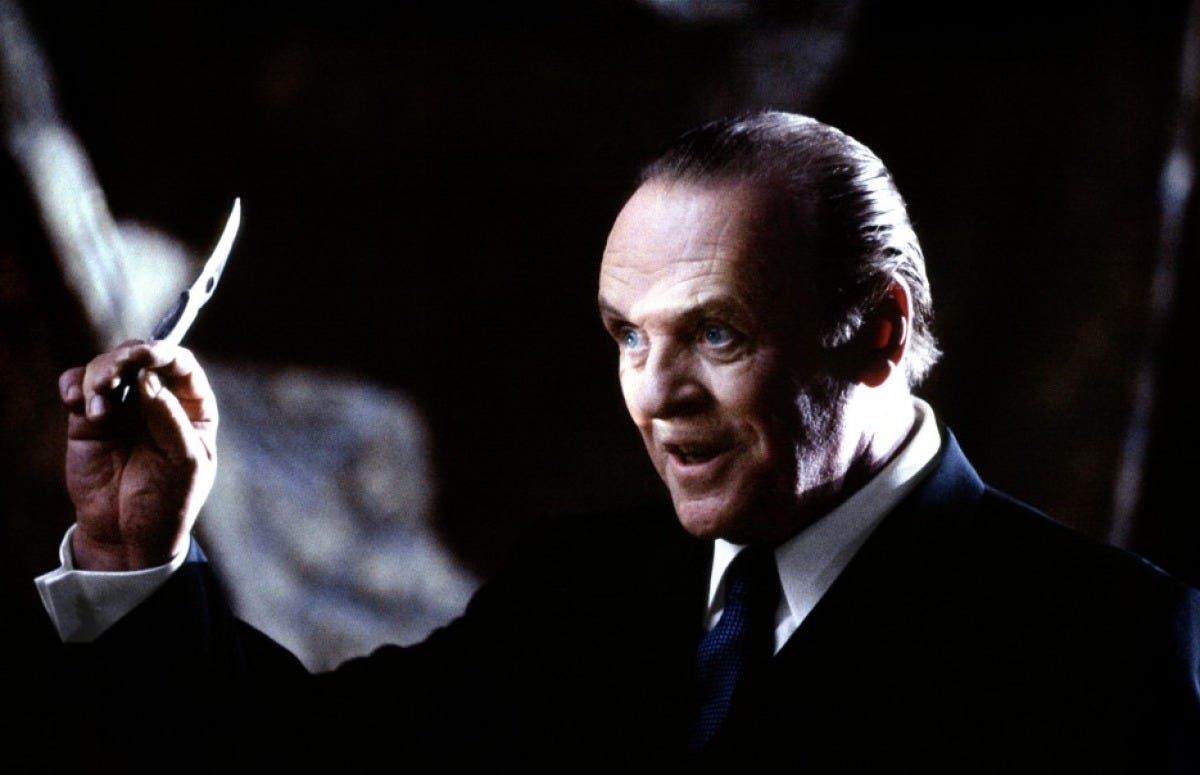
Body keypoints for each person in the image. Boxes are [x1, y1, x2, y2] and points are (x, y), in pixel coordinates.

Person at [34, 111, 1199, 772]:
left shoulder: (1107, 647)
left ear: (877, 334)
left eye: (716, 333)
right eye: (628, 337)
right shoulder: (576, 592)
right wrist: (138, 555)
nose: (657, 394)